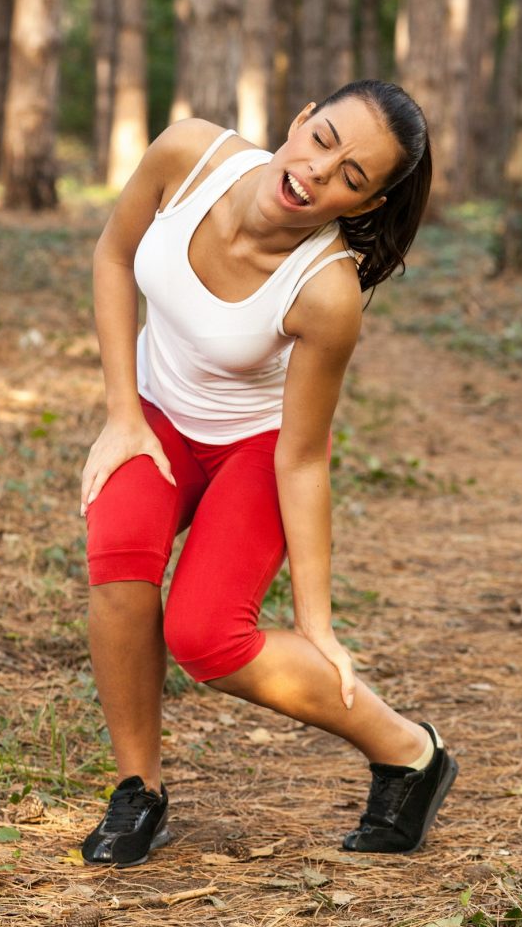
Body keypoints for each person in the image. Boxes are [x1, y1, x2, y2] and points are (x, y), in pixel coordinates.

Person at [78, 79, 457, 867]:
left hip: (254, 450)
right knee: (118, 568)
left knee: (206, 637)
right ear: (300, 120)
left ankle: (409, 750)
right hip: (152, 418)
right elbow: (115, 256)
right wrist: (121, 413)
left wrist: (316, 619)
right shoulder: (188, 153)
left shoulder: (327, 291)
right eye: (324, 139)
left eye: (353, 176)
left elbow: (303, 453)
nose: (320, 171)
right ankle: (137, 791)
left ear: (365, 203)